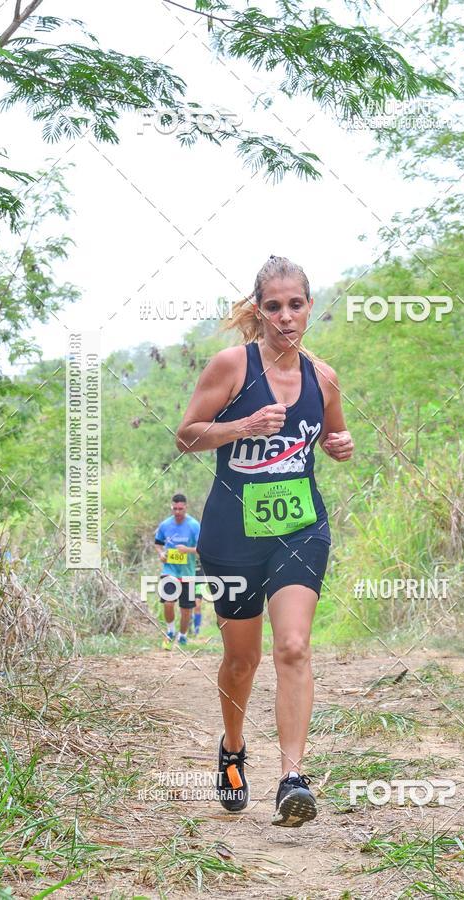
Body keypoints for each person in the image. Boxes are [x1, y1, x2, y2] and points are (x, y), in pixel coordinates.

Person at [176, 255, 354, 827]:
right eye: (273, 306)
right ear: (259, 311)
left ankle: (292, 778)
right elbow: (187, 436)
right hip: (232, 532)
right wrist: (239, 428)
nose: (285, 316)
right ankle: (232, 752)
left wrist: (338, 445)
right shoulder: (232, 365)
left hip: (300, 528)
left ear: (309, 307)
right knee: (241, 660)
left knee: (294, 646)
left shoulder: (323, 376)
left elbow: (331, 432)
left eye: (295, 304)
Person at [154, 493, 202, 648]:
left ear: (186, 507)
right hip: (169, 570)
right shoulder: (165, 525)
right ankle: (170, 631)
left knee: (186, 609)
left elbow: (203, 549)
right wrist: (161, 554)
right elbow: (157, 543)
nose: (177, 512)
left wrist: (187, 550)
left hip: (187, 573)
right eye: (174, 509)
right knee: (168, 602)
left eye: (180, 509)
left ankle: (182, 635)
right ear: (171, 507)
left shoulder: (194, 525)